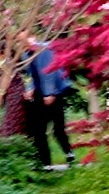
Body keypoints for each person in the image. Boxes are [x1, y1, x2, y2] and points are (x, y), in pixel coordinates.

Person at [20, 34, 76, 170]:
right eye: (20, 40)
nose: (24, 42)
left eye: (26, 38)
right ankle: (46, 162)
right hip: (40, 93)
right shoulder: (26, 55)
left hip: (54, 92)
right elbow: (29, 75)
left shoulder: (43, 50)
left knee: (58, 128)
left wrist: (49, 93)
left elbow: (48, 73)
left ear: (33, 37)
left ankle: (68, 153)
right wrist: (30, 89)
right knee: (39, 129)